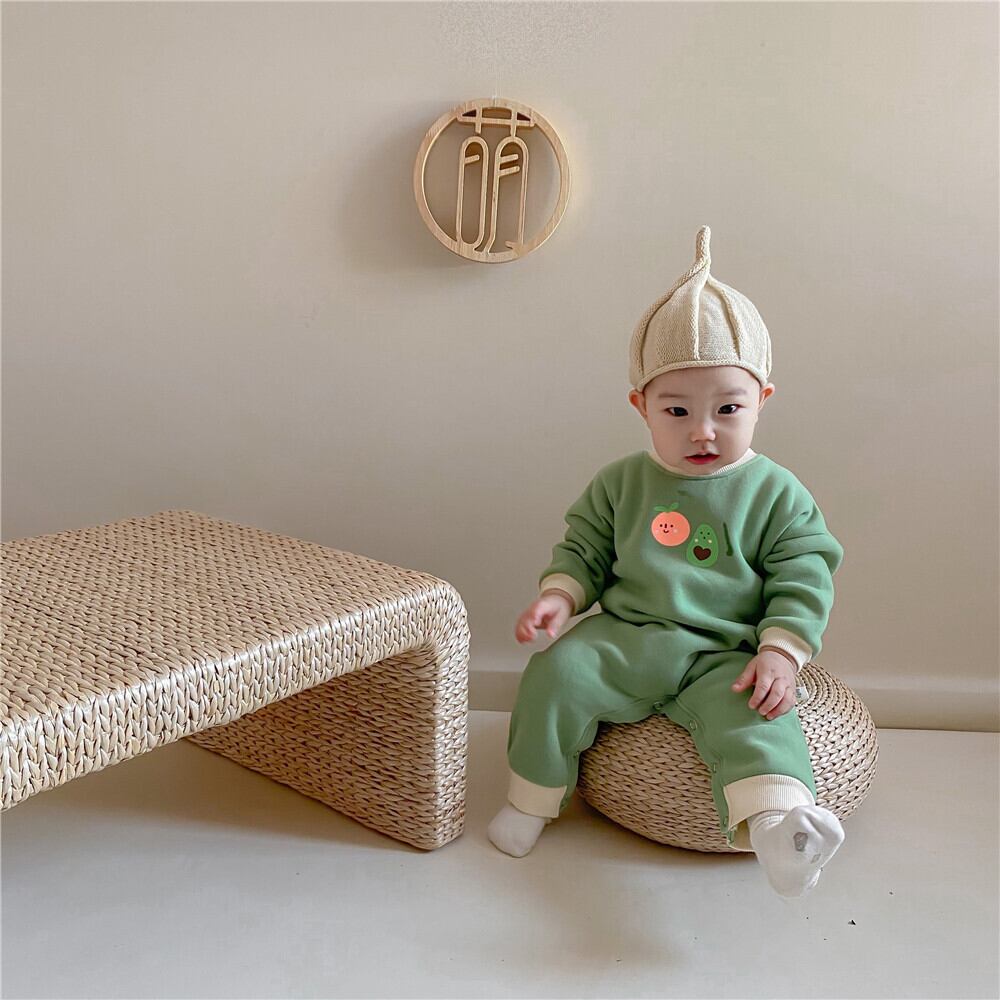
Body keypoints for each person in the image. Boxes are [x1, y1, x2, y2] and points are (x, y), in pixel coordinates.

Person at [487, 226, 846, 898]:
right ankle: (532, 799)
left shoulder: (776, 492)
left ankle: (779, 830)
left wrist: (781, 652)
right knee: (556, 674)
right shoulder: (621, 483)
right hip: (627, 636)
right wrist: (559, 598)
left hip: (725, 649)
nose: (702, 430)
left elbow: (804, 572)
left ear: (762, 401)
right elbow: (585, 548)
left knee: (761, 715)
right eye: (677, 410)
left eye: (728, 409)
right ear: (642, 407)